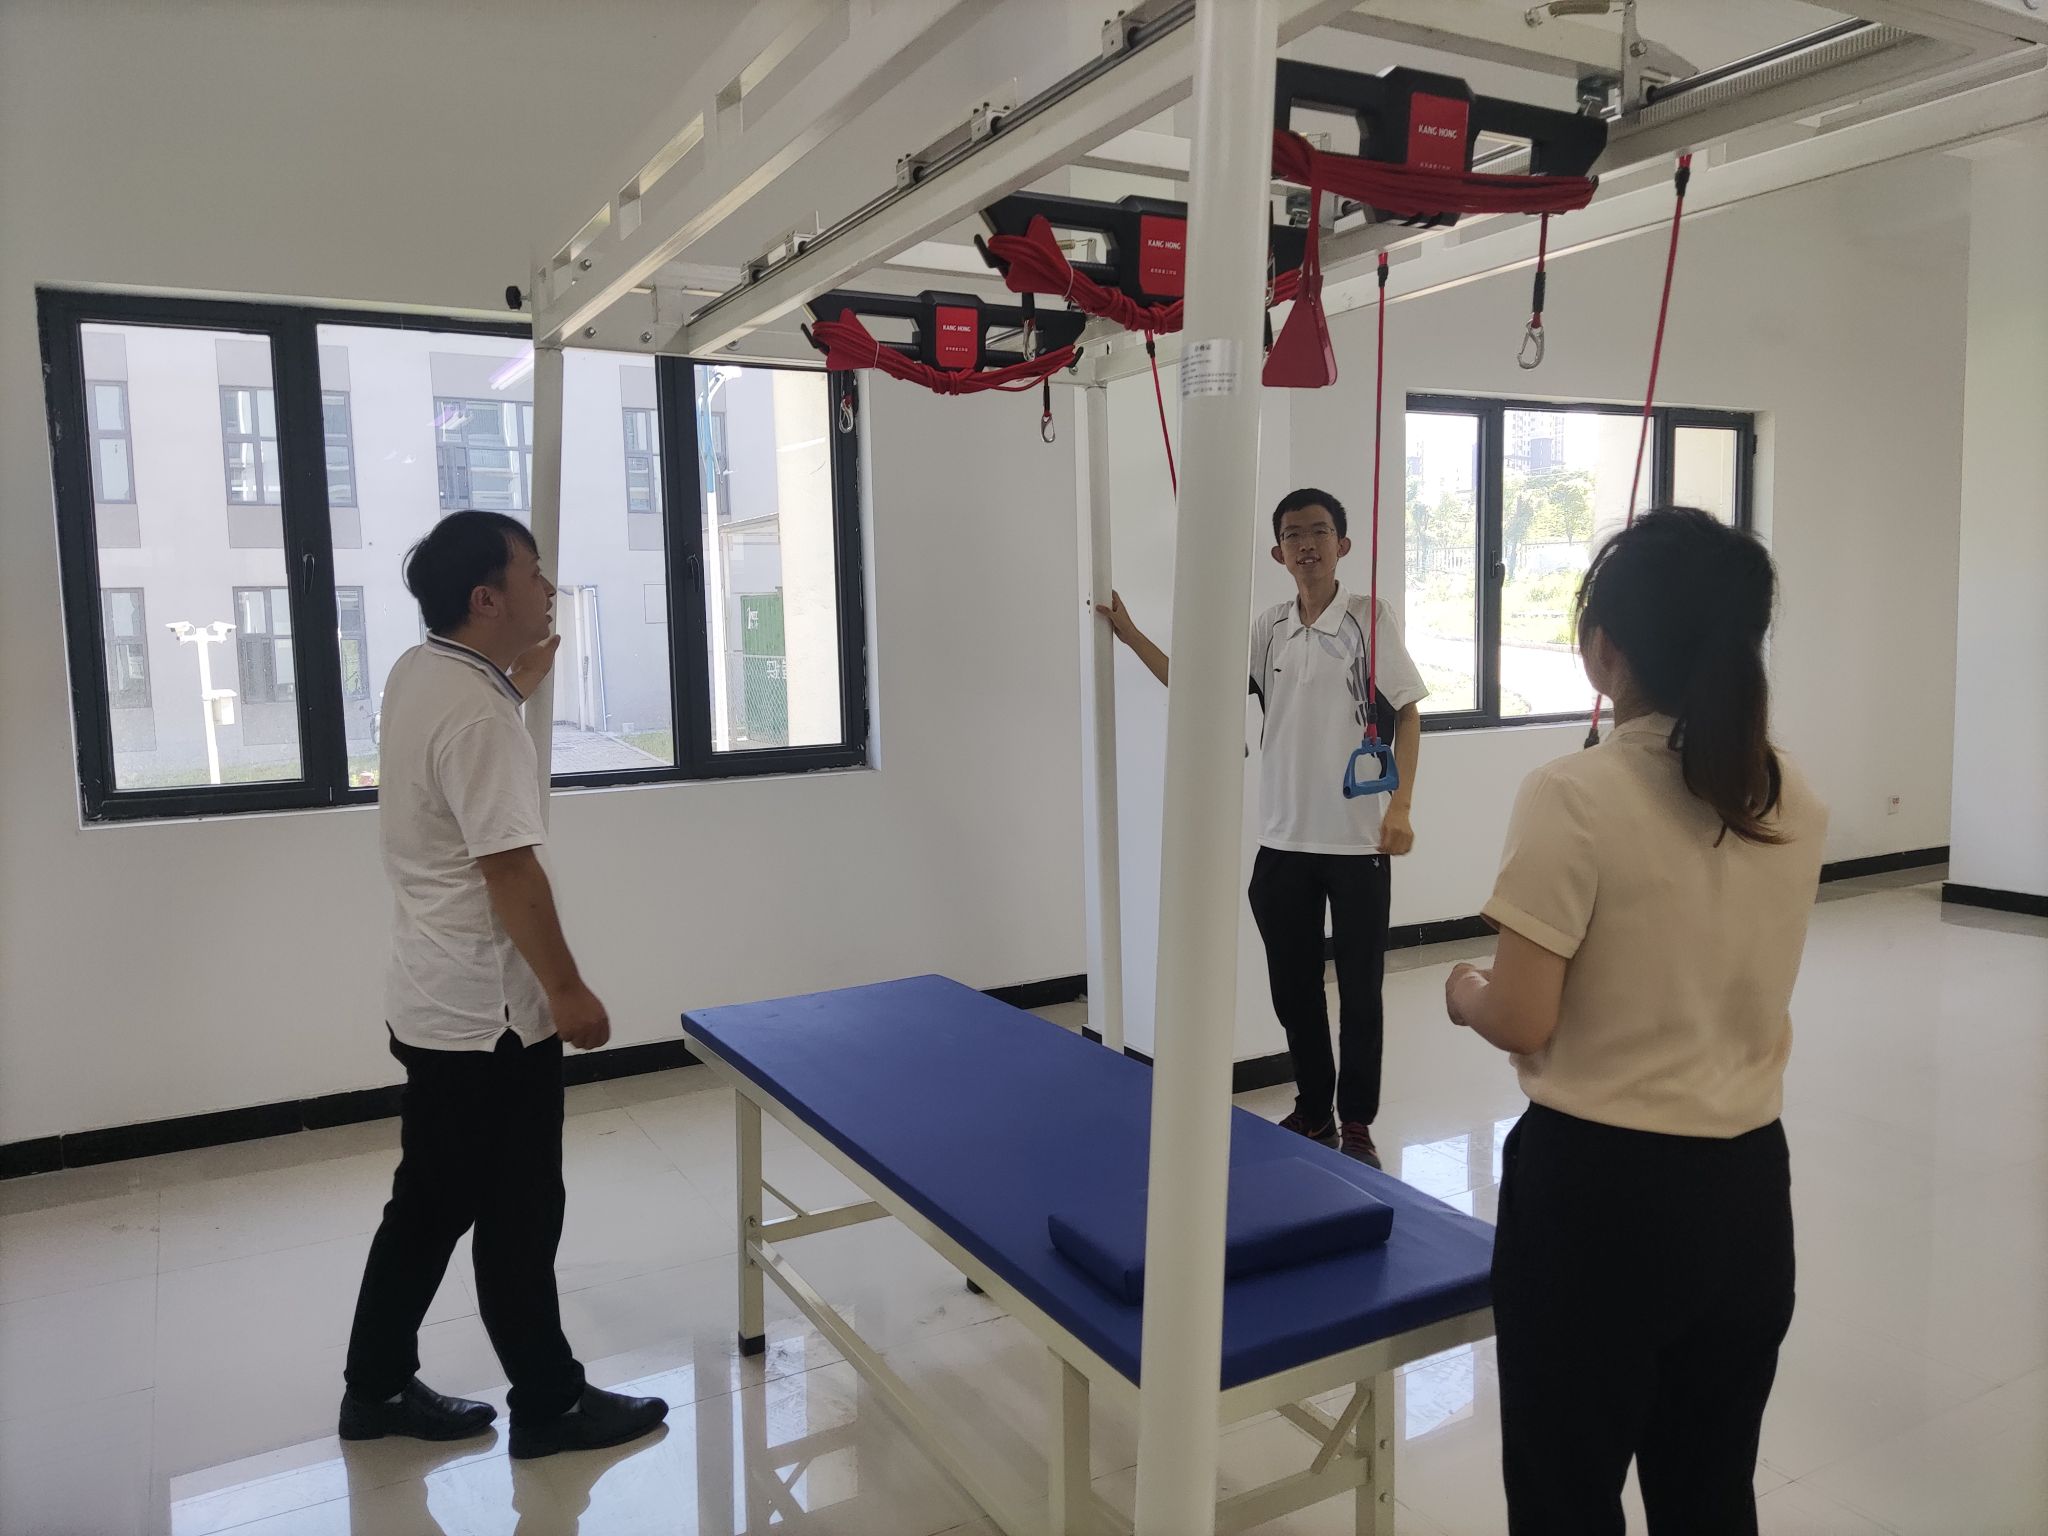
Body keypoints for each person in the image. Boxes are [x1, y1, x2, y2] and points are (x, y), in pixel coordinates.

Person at [1445, 508, 1827, 1535]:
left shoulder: (1571, 794)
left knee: (1565, 1499)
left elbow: (1522, 1017)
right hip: (1747, 1195)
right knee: (1710, 1496)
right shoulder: (1790, 795)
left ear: (1603, 649)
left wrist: (1462, 990)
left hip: (1598, 1201)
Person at [339, 510, 668, 1460]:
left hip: (433, 1002)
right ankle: (552, 1406)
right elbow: (510, 869)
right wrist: (568, 990)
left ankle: (376, 1386)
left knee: (429, 1205)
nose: (548, 587)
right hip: (493, 1023)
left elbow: (467, 745)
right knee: (518, 1214)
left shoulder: (424, 673)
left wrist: (519, 687)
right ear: (487, 598)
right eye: (533, 572)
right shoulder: (479, 715)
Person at [1100, 487, 1426, 1167]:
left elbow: (1408, 712)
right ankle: (1314, 1110)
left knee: (1360, 992)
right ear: (1278, 553)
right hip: (1282, 841)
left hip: (1357, 841)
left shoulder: (1369, 617)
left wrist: (1400, 808)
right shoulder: (1269, 626)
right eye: (1293, 535)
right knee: (1293, 989)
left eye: (1319, 531)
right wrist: (1130, 636)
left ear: (1342, 544)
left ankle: (1356, 1123)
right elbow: (1202, 692)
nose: (1306, 544)